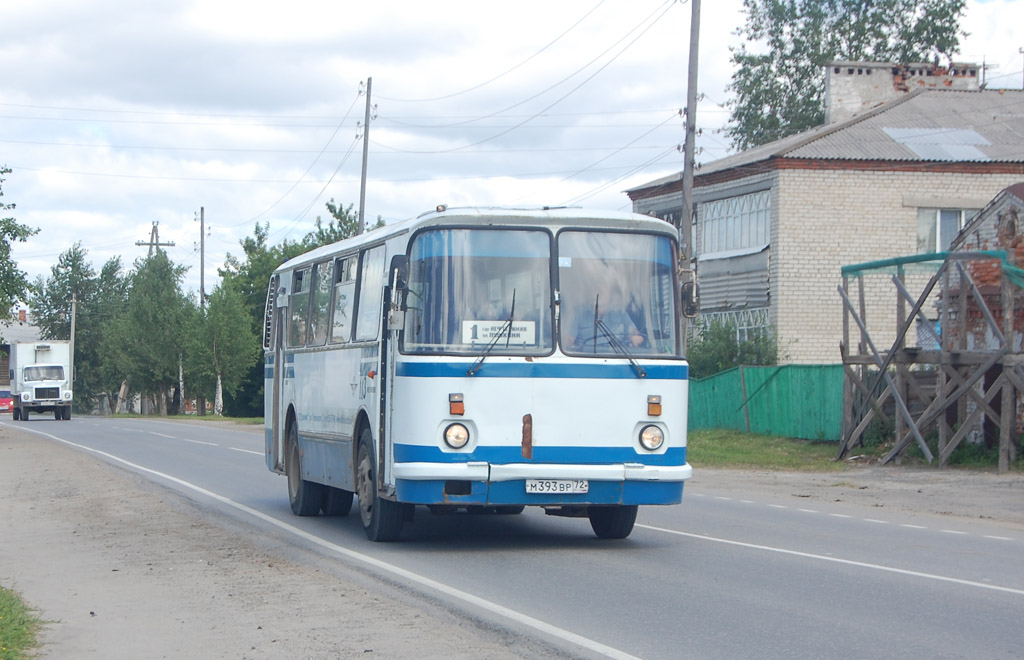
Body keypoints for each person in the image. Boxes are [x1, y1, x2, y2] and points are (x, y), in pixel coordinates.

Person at [566, 280, 645, 351]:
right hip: (587, 357)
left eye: (603, 290)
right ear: (590, 292)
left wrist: (636, 338)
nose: (599, 294)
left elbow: (633, 332)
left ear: (610, 294)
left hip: (617, 356)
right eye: (597, 290)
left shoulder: (620, 312)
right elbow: (569, 340)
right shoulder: (579, 313)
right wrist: (570, 344)